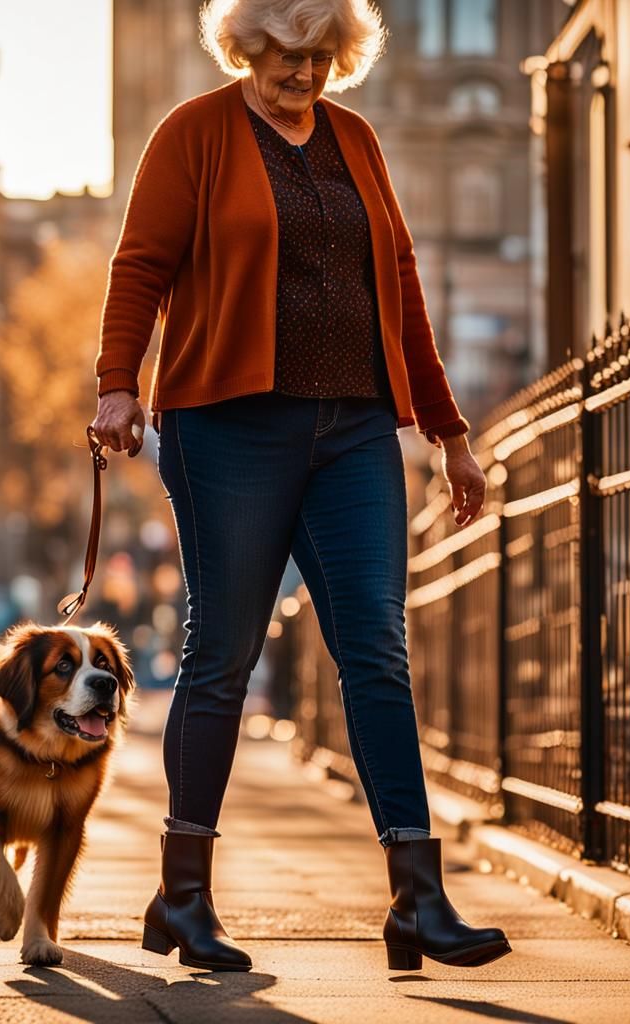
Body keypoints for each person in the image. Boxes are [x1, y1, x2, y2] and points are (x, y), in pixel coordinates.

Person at [92, 0, 509, 973]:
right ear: (248, 47)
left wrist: (448, 433)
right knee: (222, 654)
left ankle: (416, 897)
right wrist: (117, 385)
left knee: (375, 647)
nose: (303, 73)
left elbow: (399, 285)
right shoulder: (192, 135)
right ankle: (183, 894)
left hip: (357, 427)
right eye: (286, 54)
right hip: (230, 425)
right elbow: (139, 266)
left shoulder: (355, 141)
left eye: (321, 56)